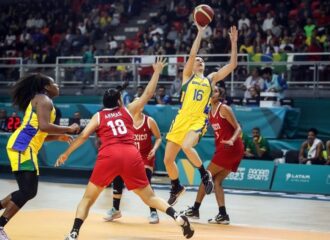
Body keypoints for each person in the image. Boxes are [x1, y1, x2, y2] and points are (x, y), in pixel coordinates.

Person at [55, 57, 194, 240]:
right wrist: (157, 71)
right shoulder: (128, 110)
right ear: (119, 101)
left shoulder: (99, 115)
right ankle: (177, 216)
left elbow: (82, 136)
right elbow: (148, 93)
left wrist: (66, 153)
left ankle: (74, 233)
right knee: (149, 197)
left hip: (109, 154)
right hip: (131, 154)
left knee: (88, 199)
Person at [164, 22, 238, 206]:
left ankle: (204, 175)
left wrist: (234, 43)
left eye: (202, 60)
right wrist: (199, 32)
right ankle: (176, 186)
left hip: (198, 120)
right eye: (198, 60)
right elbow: (191, 54)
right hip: (181, 119)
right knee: (167, 160)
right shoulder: (188, 76)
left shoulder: (210, 79)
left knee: (188, 147)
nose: (200, 61)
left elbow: (232, 65)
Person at [0, 73, 80, 240]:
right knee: (28, 190)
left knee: (28, 191)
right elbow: (44, 126)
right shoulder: (44, 100)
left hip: (25, 147)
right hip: (23, 146)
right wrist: (68, 129)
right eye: (54, 83)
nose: (57, 85)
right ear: (46, 87)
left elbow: (40, 132)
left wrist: (57, 136)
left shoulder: (42, 99)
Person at [183, 85, 244, 224]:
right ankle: (223, 215)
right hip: (228, 149)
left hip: (231, 147)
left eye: (215, 91)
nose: (212, 93)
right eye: (210, 91)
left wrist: (231, 140)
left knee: (207, 176)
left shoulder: (224, 109)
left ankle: (195, 209)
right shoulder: (209, 112)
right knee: (216, 182)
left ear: (220, 95)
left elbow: (239, 128)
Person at [104, 99, 162, 224]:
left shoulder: (150, 121)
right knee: (117, 175)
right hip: (130, 157)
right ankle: (116, 209)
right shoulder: (125, 122)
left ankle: (153, 212)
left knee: (146, 181)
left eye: (141, 103)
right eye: (137, 103)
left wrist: (155, 148)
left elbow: (158, 138)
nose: (139, 105)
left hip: (146, 157)